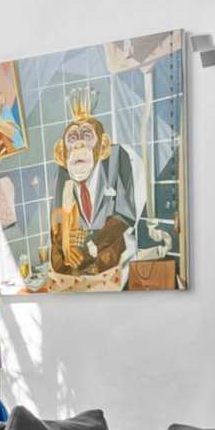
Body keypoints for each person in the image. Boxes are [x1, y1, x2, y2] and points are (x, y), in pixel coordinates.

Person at [40, 87, 136, 285]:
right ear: (61, 152)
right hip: (78, 249)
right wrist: (64, 248)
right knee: (59, 263)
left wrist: (92, 246)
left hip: (108, 245)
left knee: (107, 258)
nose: (78, 146)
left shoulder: (117, 158)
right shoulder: (64, 169)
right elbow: (56, 217)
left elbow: (125, 214)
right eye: (73, 139)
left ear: (102, 146)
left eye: (87, 137)